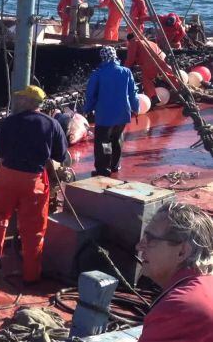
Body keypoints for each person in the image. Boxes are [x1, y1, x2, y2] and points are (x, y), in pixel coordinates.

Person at [0, 85, 68, 284]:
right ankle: (31, 275)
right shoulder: (52, 124)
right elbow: (60, 155)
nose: (18, 102)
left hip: (7, 177)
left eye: (21, 99)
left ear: (28, 102)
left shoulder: (9, 122)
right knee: (34, 228)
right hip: (34, 181)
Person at [136, 202, 213, 342]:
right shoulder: (206, 285)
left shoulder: (179, 307)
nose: (139, 246)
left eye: (151, 239)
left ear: (182, 252)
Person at [82, 46, 139, 177]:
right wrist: (136, 108)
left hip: (105, 116)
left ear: (102, 58)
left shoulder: (98, 74)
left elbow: (91, 95)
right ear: (115, 56)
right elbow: (133, 93)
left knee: (104, 141)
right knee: (117, 139)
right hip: (123, 114)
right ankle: (114, 166)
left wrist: (86, 109)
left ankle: (103, 169)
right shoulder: (126, 72)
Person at [125, 33, 180, 104]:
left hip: (150, 62)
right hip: (162, 58)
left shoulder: (133, 42)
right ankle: (179, 87)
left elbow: (130, 59)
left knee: (146, 78)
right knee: (166, 74)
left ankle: (153, 97)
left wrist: (124, 69)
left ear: (129, 40)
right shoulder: (149, 42)